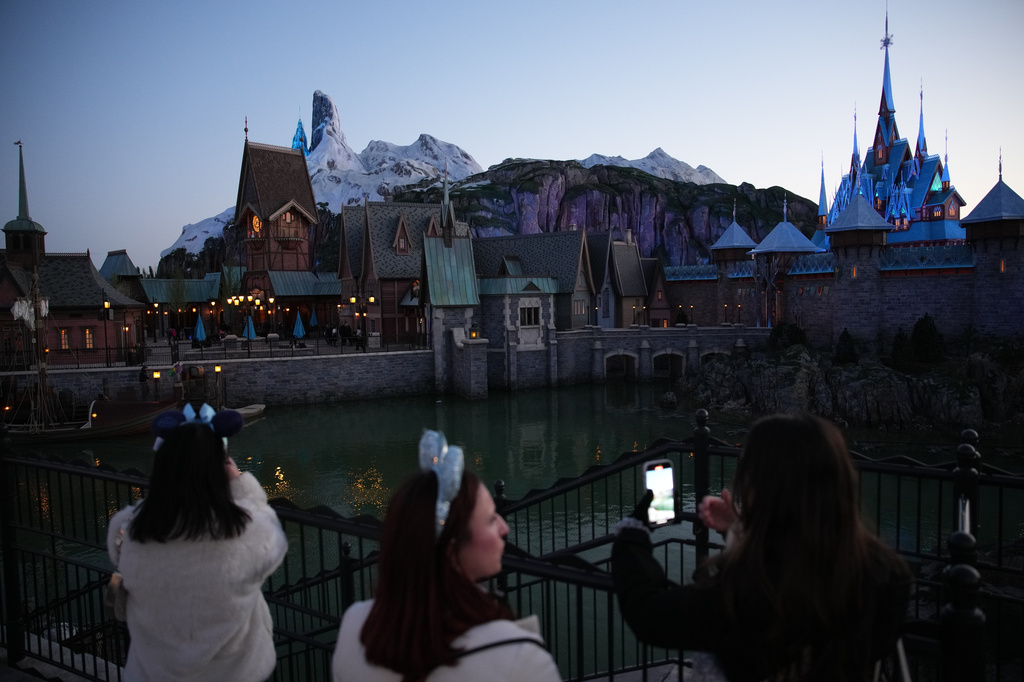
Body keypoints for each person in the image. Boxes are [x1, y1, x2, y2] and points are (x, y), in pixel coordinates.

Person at [612, 413, 912, 682]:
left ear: (764, 490)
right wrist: (739, 528)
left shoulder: (752, 593)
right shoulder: (886, 573)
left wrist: (632, 532)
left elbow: (649, 613)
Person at [332, 431, 561, 682]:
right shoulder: (521, 660)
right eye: (490, 519)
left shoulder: (354, 626)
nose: (504, 528)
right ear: (451, 554)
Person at [106, 404, 288, 682]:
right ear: (220, 470)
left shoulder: (127, 529)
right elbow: (274, 539)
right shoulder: (248, 533)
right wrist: (240, 485)